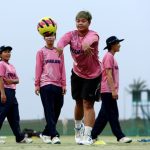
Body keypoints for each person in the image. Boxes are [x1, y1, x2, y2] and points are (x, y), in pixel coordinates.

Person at [57, 11, 101, 145]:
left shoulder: (93, 34)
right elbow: (62, 41)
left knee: (88, 103)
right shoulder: (71, 34)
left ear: (89, 22)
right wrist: (59, 47)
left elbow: (91, 39)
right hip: (77, 73)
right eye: (78, 21)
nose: (80, 23)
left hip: (93, 75)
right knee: (78, 102)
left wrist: (86, 44)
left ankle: (88, 136)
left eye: (83, 21)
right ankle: (78, 128)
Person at [91, 36, 132, 143]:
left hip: (108, 91)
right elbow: (108, 75)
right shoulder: (108, 57)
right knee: (113, 114)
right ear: (112, 45)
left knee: (104, 116)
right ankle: (120, 136)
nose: (119, 45)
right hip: (108, 91)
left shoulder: (111, 57)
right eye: (118, 43)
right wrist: (113, 90)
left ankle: (92, 135)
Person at [35, 31, 66, 144]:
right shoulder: (41, 52)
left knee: (57, 109)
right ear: (44, 38)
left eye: (52, 36)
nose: (50, 38)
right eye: (47, 36)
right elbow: (38, 68)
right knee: (48, 110)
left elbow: (62, 68)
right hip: (45, 84)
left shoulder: (59, 51)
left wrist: (64, 84)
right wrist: (37, 85)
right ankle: (54, 135)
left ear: (55, 37)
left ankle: (46, 133)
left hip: (58, 84)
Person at [0, 45, 32, 144]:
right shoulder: (1, 64)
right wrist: (2, 94)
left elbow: (17, 80)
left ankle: (19, 137)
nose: (8, 53)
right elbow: (0, 79)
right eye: (5, 52)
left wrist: (11, 81)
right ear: (0, 54)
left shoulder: (11, 66)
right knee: (1, 115)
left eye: (9, 52)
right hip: (5, 91)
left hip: (12, 93)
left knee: (14, 117)